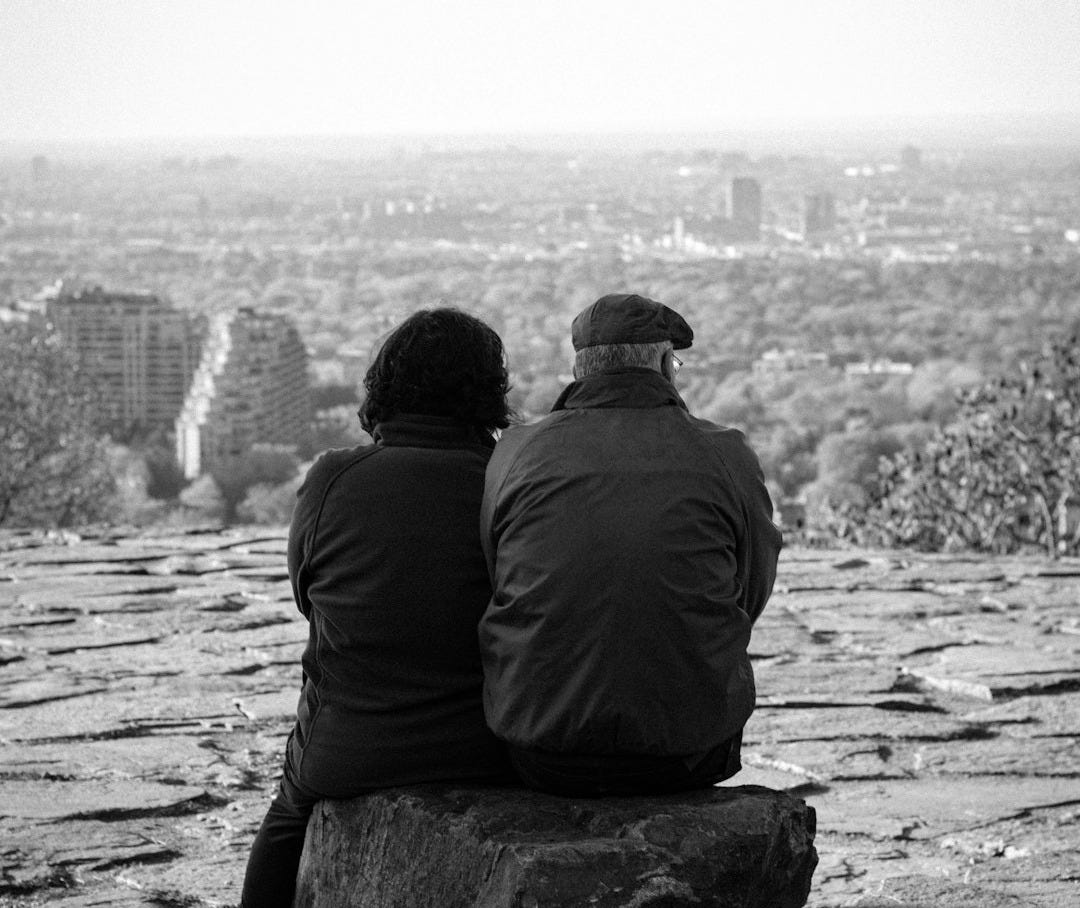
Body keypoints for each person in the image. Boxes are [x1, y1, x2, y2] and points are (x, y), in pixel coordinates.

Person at [241, 308, 514, 907]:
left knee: (289, 813)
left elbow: (307, 595)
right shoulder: (509, 482)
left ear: (383, 385)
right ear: (488, 393)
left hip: (349, 748)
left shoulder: (334, 478)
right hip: (489, 745)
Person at [479, 292, 782, 797]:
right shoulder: (725, 453)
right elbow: (749, 591)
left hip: (541, 749)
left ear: (580, 370)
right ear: (665, 364)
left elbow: (499, 573)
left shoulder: (515, 452)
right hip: (689, 751)